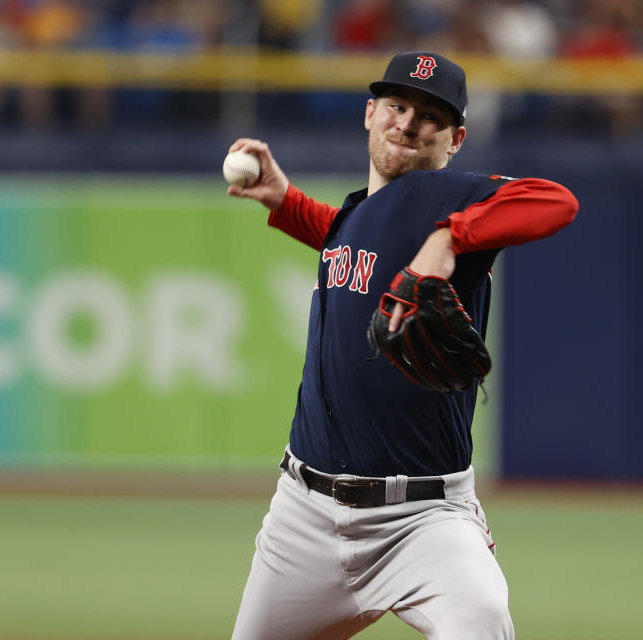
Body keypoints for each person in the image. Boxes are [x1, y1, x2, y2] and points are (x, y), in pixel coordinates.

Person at [226, 51, 578, 640]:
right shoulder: (359, 213)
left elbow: (556, 200)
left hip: (422, 520)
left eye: (430, 116)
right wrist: (285, 202)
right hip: (304, 516)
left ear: (456, 139)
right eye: (397, 105)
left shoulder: (449, 196)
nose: (408, 123)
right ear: (370, 113)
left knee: (482, 619)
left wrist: (451, 236)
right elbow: (346, 247)